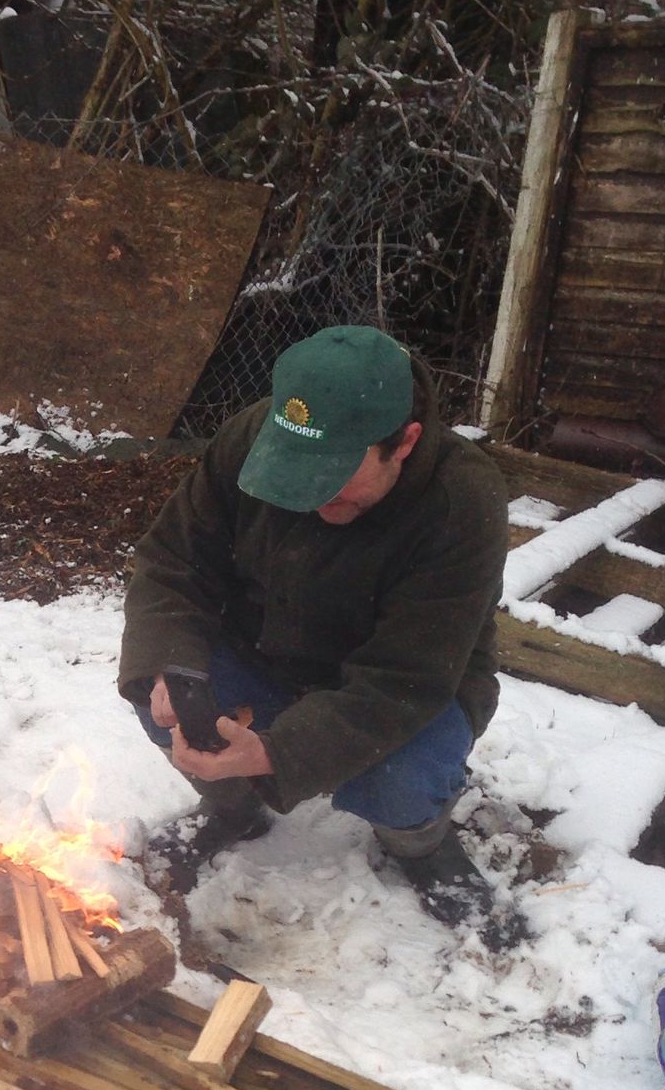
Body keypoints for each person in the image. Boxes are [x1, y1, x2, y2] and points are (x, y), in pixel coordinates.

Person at [119, 324, 511, 932]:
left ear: (403, 442)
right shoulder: (253, 435)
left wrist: (280, 752)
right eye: (297, 474)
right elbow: (173, 561)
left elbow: (405, 678)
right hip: (266, 654)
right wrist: (174, 662)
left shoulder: (462, 500)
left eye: (333, 479)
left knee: (402, 779)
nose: (309, 500)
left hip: (404, 689)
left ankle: (421, 844)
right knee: (170, 698)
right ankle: (234, 809)